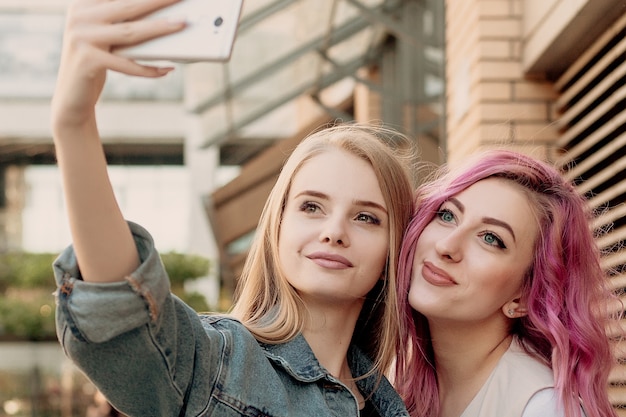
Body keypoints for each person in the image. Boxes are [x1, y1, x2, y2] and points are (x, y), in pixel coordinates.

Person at [50, 1, 416, 416]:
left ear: (394, 250)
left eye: (366, 217)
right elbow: (123, 315)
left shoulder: (393, 405)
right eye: (311, 206)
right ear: (277, 228)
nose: (334, 231)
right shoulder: (219, 365)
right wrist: (73, 123)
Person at [394, 149, 621, 417]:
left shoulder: (543, 409)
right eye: (447, 215)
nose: (446, 246)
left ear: (524, 296)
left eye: (490, 238)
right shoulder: (405, 387)